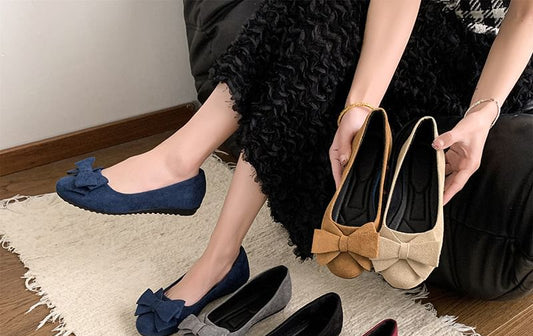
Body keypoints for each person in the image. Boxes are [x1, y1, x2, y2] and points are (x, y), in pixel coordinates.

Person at [58, 0, 533, 301]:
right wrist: (360, 105)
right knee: (321, 19)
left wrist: (482, 113)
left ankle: (190, 189)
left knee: (314, 28)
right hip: (419, 28)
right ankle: (213, 245)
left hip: (490, 67)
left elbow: (525, 16)